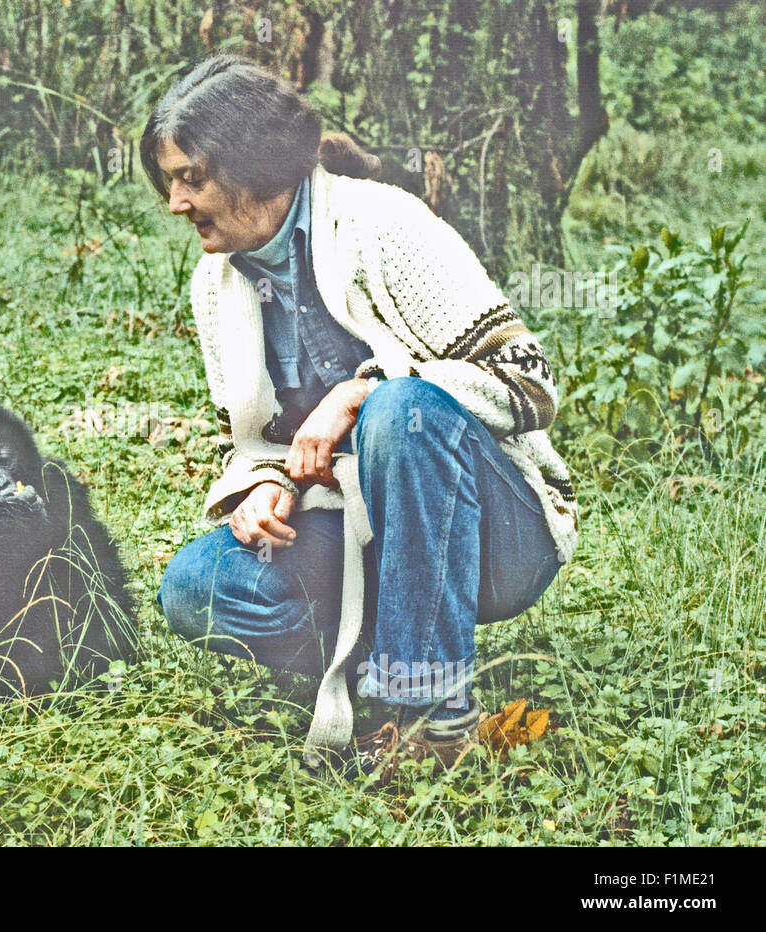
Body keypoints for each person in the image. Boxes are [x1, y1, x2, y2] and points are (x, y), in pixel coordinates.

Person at [145, 56, 579, 776]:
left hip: (500, 535)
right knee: (194, 587)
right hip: (352, 536)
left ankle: (431, 713)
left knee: (403, 413)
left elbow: (530, 383)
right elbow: (249, 444)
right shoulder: (214, 284)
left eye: (192, 178)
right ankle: (388, 642)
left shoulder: (385, 224)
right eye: (170, 181)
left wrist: (362, 391)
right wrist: (256, 489)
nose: (176, 202)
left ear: (256, 164)